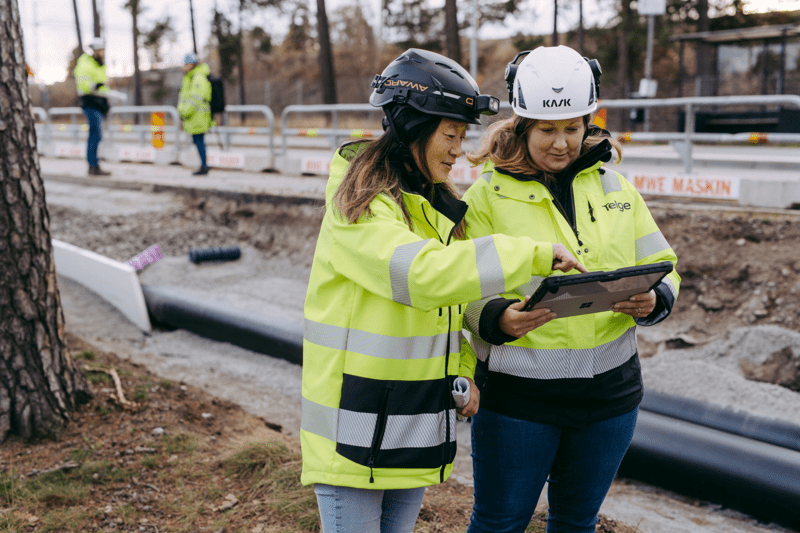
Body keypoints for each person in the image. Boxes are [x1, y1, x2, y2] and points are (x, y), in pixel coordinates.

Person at [300, 48, 587, 533]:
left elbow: (449, 311)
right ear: (412, 126)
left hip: (413, 419)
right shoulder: (360, 206)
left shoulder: (434, 206)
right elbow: (422, 276)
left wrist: (464, 372)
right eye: (450, 135)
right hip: (355, 426)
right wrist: (531, 254)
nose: (459, 150)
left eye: (462, 136)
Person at [461, 45, 681, 533]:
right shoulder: (486, 196)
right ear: (522, 126)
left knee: (577, 523)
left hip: (610, 397)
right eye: (546, 130)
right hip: (520, 401)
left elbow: (663, 263)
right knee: (500, 522)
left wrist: (655, 299)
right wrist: (497, 317)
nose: (561, 144)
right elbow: (460, 288)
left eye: (572, 129)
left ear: (588, 122)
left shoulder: (615, 188)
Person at [74, 37, 111, 176]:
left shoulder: (99, 65)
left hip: (99, 103)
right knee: (95, 134)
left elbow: (103, 84)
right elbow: (85, 84)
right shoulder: (85, 64)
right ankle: (92, 165)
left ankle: (94, 164)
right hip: (90, 102)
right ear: (94, 50)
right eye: (100, 50)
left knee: (97, 134)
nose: (102, 53)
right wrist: (99, 85)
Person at [178, 53, 214, 175]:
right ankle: (204, 165)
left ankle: (204, 166)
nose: (184, 66)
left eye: (186, 64)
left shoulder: (197, 77)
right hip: (195, 116)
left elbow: (195, 98)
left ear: (192, 64)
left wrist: (184, 112)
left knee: (199, 141)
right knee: (198, 141)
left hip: (197, 116)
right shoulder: (193, 76)